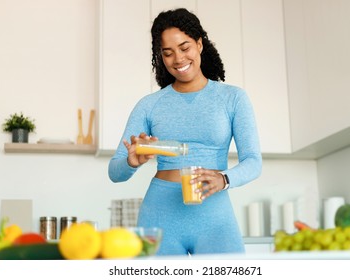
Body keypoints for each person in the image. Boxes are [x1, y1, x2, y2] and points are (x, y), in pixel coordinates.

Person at [108, 8, 262, 255]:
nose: (178, 59)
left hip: (215, 217)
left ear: (200, 44)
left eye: (184, 47)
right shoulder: (149, 105)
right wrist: (131, 161)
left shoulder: (232, 98)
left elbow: (254, 162)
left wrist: (224, 179)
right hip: (159, 216)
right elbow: (115, 172)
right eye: (167, 53)